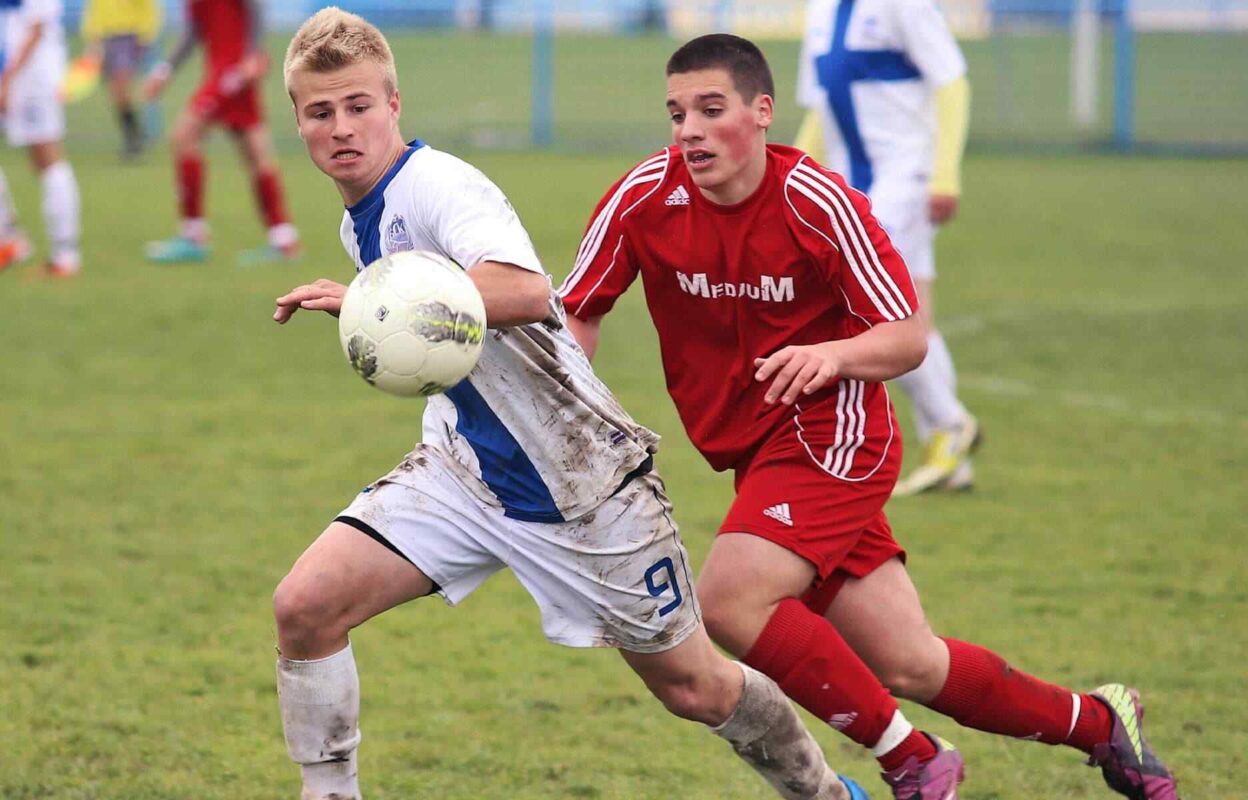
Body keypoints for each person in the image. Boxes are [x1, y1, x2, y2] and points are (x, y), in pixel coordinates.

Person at [268, 10, 871, 800]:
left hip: (582, 486)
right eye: (320, 112)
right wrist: (379, 298)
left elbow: (524, 291)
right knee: (305, 607)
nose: (342, 128)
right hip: (465, 472)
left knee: (697, 688)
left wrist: (380, 298)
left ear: (394, 105)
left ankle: (827, 793)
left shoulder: (438, 184)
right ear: (300, 123)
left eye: (358, 106)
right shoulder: (364, 214)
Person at [561, 33, 1179, 800]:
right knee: (911, 663)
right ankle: (1101, 723)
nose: (688, 129)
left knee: (728, 599)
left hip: (834, 438)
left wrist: (834, 357)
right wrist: (567, 407)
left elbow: (907, 335)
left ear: (761, 113)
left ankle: (912, 757)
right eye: (677, 112)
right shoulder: (644, 198)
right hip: (755, 453)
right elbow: (576, 313)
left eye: (709, 109)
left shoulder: (816, 202)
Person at [796, 0, 979, 495]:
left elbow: (952, 82)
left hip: (906, 178)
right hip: (853, 187)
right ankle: (949, 453)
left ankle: (950, 421)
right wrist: (793, 173)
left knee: (871, 311)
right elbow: (820, 107)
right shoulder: (818, 12)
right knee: (912, 313)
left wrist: (944, 173)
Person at [141, 0, 298, 265]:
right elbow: (194, 31)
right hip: (221, 69)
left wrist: (253, 54)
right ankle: (283, 239)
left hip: (234, 70)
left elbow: (256, 8)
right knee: (254, 151)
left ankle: (193, 235)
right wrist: (164, 71)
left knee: (184, 135)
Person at [0, 0, 81, 277]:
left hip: (34, 79)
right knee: (41, 162)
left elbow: (36, 30)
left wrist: (7, 79)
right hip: (23, 77)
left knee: (49, 160)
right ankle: (9, 239)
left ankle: (65, 254)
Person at [79, 0, 161, 158]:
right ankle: (134, 133)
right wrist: (92, 39)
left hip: (129, 36)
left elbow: (148, 8)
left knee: (121, 87)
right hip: (104, 38)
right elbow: (94, 10)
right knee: (115, 93)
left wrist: (146, 35)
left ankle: (133, 139)